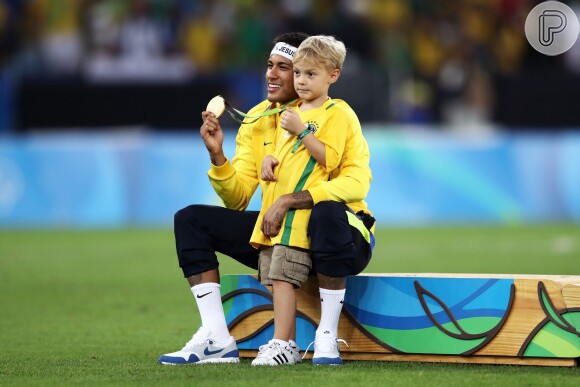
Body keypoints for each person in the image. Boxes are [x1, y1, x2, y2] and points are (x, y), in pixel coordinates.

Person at [158, 32, 374, 366]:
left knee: (325, 213)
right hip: (284, 230)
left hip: (343, 235)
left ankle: (324, 337)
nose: (272, 74)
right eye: (270, 65)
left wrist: (291, 199)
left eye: (285, 68)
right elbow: (238, 198)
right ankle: (217, 337)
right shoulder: (257, 119)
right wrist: (217, 156)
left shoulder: (336, 115)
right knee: (190, 220)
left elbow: (357, 182)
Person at [250, 35, 352, 366]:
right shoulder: (290, 112)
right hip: (278, 214)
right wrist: (269, 161)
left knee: (282, 276)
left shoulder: (336, 113)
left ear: (332, 76)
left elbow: (331, 160)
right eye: (298, 74)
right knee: (272, 276)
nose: (301, 81)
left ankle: (283, 343)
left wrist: (303, 132)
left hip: (300, 216)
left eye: (311, 74)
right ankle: (285, 342)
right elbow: (283, 152)